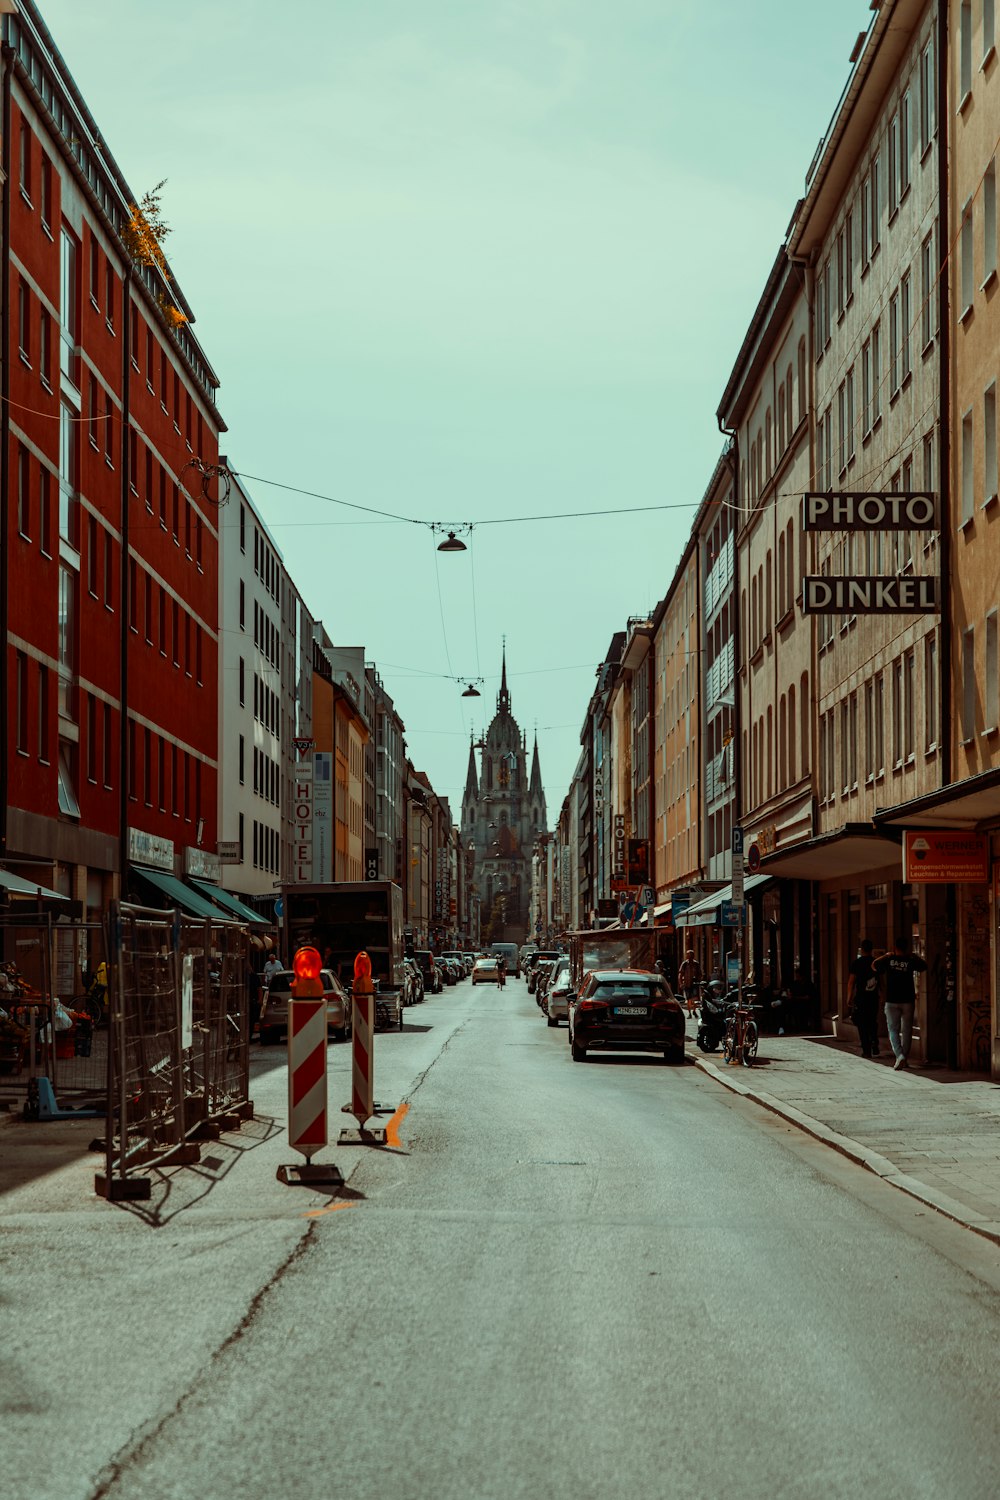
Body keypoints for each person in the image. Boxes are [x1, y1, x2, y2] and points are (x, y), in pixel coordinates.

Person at [874, 938, 928, 1070]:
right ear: (907, 947)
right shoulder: (910, 960)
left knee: (893, 1030)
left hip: (892, 1000)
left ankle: (900, 1056)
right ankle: (904, 1057)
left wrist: (885, 955)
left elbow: (874, 965)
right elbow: (924, 966)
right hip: (908, 1000)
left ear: (895, 947)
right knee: (907, 1030)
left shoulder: (888, 959)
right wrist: (913, 955)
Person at [846, 939, 880, 1058]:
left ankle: (867, 1050)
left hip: (861, 998)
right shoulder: (876, 963)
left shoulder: (857, 963)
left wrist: (849, 998)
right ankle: (874, 1040)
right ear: (871, 950)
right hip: (873, 997)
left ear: (861, 949)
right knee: (872, 1020)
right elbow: (882, 981)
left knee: (862, 1023)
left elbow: (851, 982)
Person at [677, 948, 702, 1017]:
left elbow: (700, 973)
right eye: (688, 955)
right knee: (688, 999)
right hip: (687, 984)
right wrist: (681, 983)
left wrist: (698, 980)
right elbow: (680, 974)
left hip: (694, 984)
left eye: (691, 955)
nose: (689, 956)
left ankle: (693, 1010)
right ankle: (689, 1013)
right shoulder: (684, 964)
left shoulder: (696, 964)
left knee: (694, 998)